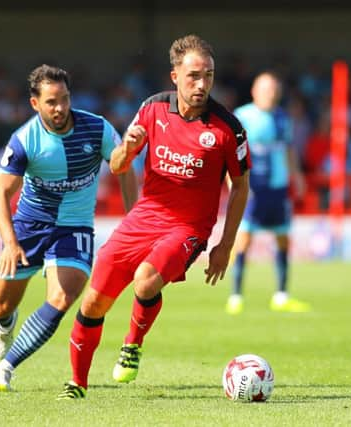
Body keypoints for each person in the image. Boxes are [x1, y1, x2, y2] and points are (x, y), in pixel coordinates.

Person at [56, 34, 251, 400]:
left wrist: (225, 245)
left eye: (208, 75)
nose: (202, 84)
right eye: (193, 75)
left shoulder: (228, 127)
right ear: (175, 75)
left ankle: (133, 344)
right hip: (144, 218)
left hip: (189, 227)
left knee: (146, 281)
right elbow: (115, 165)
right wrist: (127, 150)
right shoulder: (152, 109)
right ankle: (77, 384)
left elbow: (240, 187)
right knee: (93, 302)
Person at [0, 64, 138, 392]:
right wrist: (10, 243)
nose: (60, 108)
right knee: (1, 305)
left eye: (65, 99)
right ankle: (5, 322)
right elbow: (0, 193)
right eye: (52, 102)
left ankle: (6, 368)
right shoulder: (25, 140)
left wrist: (134, 217)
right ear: (35, 103)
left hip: (74, 226)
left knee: (63, 296)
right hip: (29, 227)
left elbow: (123, 167)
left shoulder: (97, 129)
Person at [225, 71, 310, 315]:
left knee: (283, 238)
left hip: (278, 187)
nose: (270, 94)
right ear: (255, 91)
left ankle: (282, 295)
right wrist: (233, 182)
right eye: (265, 89)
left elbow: (289, 150)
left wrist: (298, 176)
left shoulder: (283, 118)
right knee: (244, 240)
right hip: (253, 188)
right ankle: (236, 296)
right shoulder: (243, 116)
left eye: (273, 90)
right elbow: (231, 153)